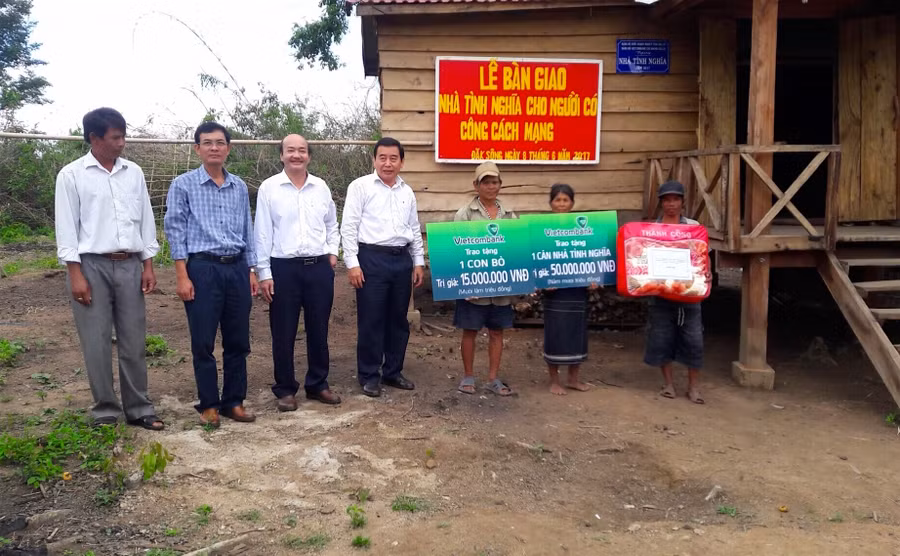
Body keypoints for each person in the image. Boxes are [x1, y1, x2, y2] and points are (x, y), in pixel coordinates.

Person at [54, 107, 164, 430]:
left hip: (129, 264)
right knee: (96, 340)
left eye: (123, 136)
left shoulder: (134, 173)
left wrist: (148, 264)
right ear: (94, 138)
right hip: (91, 266)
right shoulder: (72, 175)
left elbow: (145, 220)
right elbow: (67, 228)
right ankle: (105, 410)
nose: (122, 143)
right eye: (115, 137)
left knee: (134, 340)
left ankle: (139, 408)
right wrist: (75, 274)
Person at [163, 121, 259, 427]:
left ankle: (234, 401)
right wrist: (182, 275)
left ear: (228, 148)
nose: (214, 148)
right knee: (203, 340)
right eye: (207, 143)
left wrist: (251, 270)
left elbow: (247, 229)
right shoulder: (184, 185)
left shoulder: (239, 186)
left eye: (220, 143)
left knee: (238, 339)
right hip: (202, 268)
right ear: (197, 149)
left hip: (237, 268)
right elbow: (175, 230)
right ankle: (209, 405)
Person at [255, 134, 341, 411]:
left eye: (302, 150)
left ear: (309, 156)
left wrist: (332, 252)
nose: (296, 155)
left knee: (319, 328)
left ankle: (318, 384)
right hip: (284, 268)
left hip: (318, 267)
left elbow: (332, 224)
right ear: (281, 155)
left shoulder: (321, 187)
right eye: (290, 150)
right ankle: (285, 388)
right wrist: (264, 272)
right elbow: (262, 232)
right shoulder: (269, 188)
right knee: (283, 331)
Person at [340, 137, 425, 398]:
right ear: (374, 160)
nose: (388, 163)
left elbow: (414, 227)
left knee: (398, 319)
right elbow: (349, 227)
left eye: (393, 158)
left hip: (401, 259)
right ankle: (369, 375)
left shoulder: (406, 191)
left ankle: (393, 371)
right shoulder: (360, 187)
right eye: (382, 158)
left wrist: (418, 261)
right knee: (371, 319)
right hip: (371, 259)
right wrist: (352, 264)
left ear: (401, 162)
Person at [452, 161, 517, 397]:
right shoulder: (465, 214)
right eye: (485, 182)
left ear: (500, 184)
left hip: (501, 288)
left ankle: (493, 378)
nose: (491, 186)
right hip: (473, 288)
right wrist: (464, 285)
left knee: (497, 331)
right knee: (470, 331)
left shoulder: (509, 215)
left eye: (494, 182)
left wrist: (520, 280)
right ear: (476, 185)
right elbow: (456, 251)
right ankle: (468, 376)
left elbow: (516, 251)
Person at [644, 180, 706, 404]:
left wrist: (706, 273)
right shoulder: (651, 230)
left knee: (694, 340)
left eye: (676, 199)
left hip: (689, 293)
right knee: (662, 338)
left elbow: (701, 256)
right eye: (667, 200)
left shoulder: (693, 227)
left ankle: (693, 387)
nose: (671, 204)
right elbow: (642, 258)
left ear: (682, 202)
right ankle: (668, 384)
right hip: (660, 293)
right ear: (661, 203)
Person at [541, 183, 596, 395]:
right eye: (558, 200)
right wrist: (543, 281)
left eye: (566, 200)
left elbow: (591, 255)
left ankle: (573, 379)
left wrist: (594, 278)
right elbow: (536, 257)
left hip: (577, 290)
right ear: (551, 203)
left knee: (577, 334)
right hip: (554, 292)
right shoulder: (542, 229)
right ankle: (554, 381)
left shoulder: (582, 228)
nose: (562, 204)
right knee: (555, 335)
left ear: (572, 203)